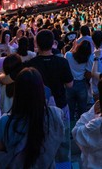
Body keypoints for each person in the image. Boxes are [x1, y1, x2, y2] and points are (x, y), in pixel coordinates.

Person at [0, 67, 64, 169]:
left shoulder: (4, 122)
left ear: (17, 91)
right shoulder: (54, 116)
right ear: (41, 90)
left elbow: (0, 154)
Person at [21, 29, 73, 163]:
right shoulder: (62, 62)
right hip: (60, 105)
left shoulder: (31, 64)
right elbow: (70, 85)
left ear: (37, 43)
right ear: (53, 43)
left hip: (39, 108)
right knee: (63, 142)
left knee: (41, 142)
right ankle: (63, 165)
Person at [65, 40, 92, 121]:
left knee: (70, 110)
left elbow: (68, 55)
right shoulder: (88, 59)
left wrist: (73, 47)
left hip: (69, 84)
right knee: (82, 111)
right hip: (81, 85)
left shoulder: (68, 55)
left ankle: (70, 128)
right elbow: (88, 74)